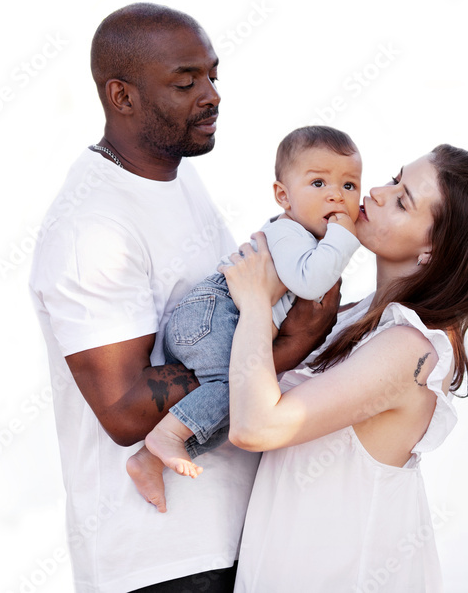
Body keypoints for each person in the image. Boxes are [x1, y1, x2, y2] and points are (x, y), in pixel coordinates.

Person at [28, 3, 338, 593]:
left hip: (237, 536)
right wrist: (290, 343)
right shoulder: (91, 227)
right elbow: (122, 409)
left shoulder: (175, 174)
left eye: (213, 75)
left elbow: (226, 316)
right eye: (185, 81)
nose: (212, 95)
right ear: (122, 97)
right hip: (163, 556)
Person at [219, 145, 468, 591]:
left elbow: (257, 427)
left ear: (434, 249)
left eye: (402, 199)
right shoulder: (353, 315)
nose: (375, 191)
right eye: (394, 179)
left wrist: (256, 302)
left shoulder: (409, 349)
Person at [126, 125, 363, 511]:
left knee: (242, 406)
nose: (336, 194)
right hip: (212, 314)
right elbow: (310, 281)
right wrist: (345, 236)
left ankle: (149, 458)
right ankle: (166, 436)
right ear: (283, 196)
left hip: (219, 323)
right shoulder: (290, 232)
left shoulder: (312, 241)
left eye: (349, 186)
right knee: (233, 389)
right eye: (318, 183)